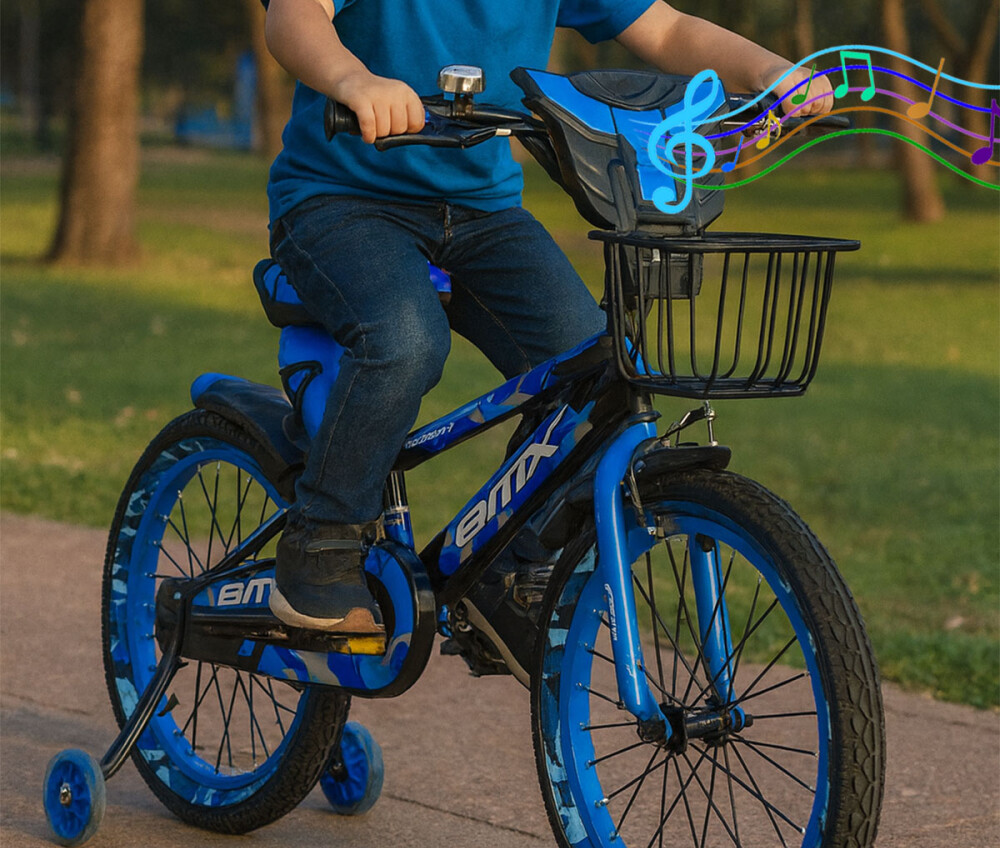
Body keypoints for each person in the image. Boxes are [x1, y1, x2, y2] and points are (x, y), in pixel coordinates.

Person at [261, 0, 833, 635]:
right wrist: (352, 79)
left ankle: (514, 566)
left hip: (482, 213)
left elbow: (667, 27)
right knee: (405, 340)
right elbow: (294, 17)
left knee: (592, 368)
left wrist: (770, 70)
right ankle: (322, 539)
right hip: (339, 202)